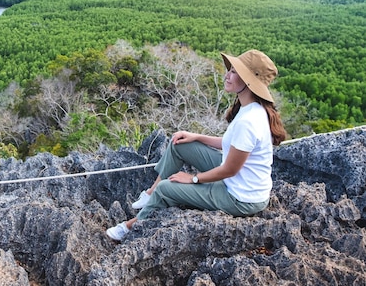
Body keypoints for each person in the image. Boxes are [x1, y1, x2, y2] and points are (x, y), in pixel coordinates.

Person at [106, 49, 287, 241]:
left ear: (249, 81)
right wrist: (196, 136)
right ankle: (151, 193)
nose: (227, 75)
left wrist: (193, 179)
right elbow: (231, 145)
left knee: (167, 189)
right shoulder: (251, 109)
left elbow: (229, 170)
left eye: (234, 72)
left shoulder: (249, 121)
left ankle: (130, 227)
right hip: (240, 182)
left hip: (241, 198)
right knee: (179, 144)